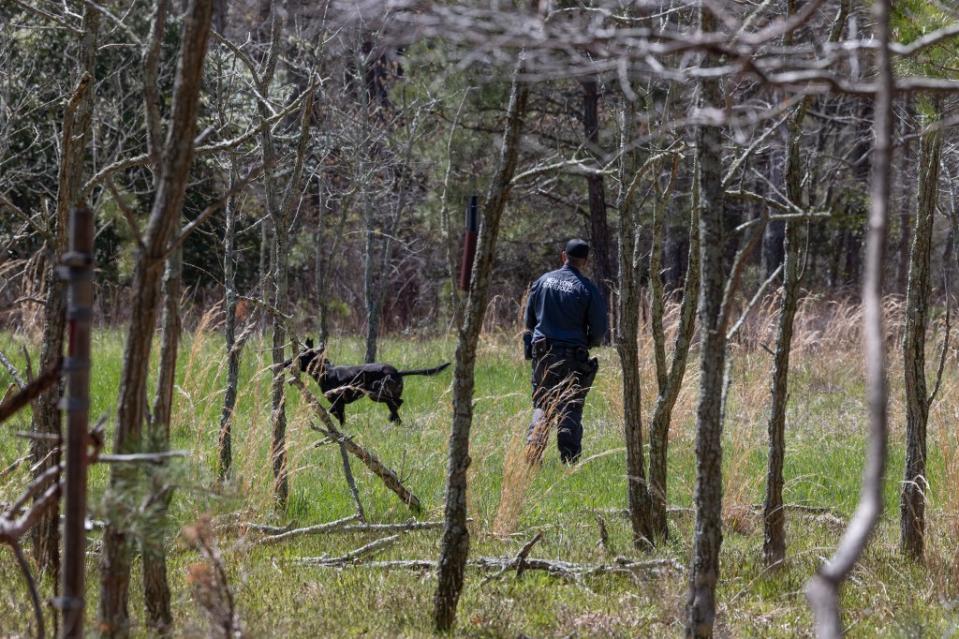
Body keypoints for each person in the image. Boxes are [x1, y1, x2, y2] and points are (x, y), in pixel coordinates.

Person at [523, 238, 608, 463]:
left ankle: (533, 448)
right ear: (585, 262)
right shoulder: (587, 289)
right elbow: (599, 330)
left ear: (563, 256)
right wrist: (587, 342)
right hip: (573, 355)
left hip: (543, 353)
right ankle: (570, 460)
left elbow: (529, 321)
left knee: (543, 402)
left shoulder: (542, 281)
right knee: (570, 404)